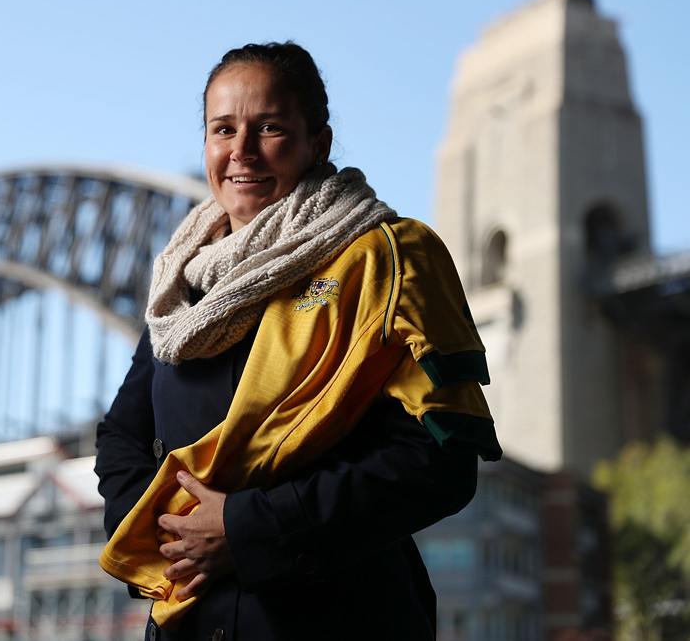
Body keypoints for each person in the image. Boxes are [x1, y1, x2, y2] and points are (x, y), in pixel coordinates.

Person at [95, 42, 501, 641]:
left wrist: (246, 529)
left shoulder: (387, 259)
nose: (241, 151)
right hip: (193, 617)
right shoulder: (182, 284)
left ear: (320, 143)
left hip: (336, 617)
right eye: (222, 129)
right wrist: (174, 538)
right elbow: (122, 435)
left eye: (270, 128)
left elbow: (437, 463)